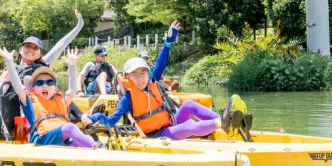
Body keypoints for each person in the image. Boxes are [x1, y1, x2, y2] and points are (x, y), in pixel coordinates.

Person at [93, 21, 247, 139]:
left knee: (188, 105)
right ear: (127, 78)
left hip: (169, 122)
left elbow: (161, 64)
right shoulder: (127, 98)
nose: (140, 79)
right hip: (157, 135)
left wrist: (168, 42)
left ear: (148, 73)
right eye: (135, 75)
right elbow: (111, 121)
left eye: (143, 73)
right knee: (189, 126)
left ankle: (230, 120)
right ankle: (221, 123)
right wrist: (94, 117)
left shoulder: (151, 82)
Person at [0, 48, 98, 148]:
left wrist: (72, 66)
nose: (45, 86)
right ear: (33, 89)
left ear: (55, 89)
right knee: (71, 127)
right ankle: (98, 149)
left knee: (79, 143)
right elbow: (18, 87)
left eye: (50, 82)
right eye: (39, 83)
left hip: (60, 138)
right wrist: (9, 62)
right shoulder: (29, 100)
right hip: (41, 138)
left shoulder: (61, 100)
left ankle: (95, 150)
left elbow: (73, 90)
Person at [0, 10, 84, 87]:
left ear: (39, 54)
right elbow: (1, 91)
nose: (31, 50)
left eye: (35, 48)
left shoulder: (43, 64)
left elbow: (61, 44)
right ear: (20, 50)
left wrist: (79, 25)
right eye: (28, 46)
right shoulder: (11, 69)